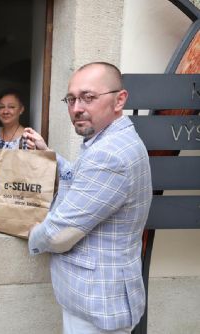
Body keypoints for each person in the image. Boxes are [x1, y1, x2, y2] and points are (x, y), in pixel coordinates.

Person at [23, 62, 152, 333]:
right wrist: (51, 155)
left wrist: (32, 233)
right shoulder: (112, 140)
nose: (76, 108)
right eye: (71, 99)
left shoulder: (109, 155)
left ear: (120, 100)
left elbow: (59, 235)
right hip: (100, 297)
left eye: (88, 97)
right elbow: (86, 182)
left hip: (98, 303)